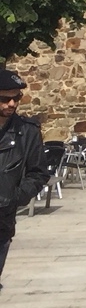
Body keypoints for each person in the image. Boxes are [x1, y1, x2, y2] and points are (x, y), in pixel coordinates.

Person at [0, 68, 48, 293]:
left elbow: (38, 173)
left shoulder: (27, 132)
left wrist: (14, 197)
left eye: (16, 98)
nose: (11, 104)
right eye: (5, 98)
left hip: (2, 222)